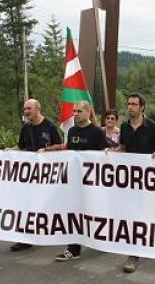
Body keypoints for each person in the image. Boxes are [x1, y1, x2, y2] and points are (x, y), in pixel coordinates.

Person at [113, 93, 155, 273]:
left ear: (142, 107)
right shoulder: (124, 126)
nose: (130, 107)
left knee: (147, 215)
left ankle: (148, 245)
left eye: (134, 104)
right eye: (128, 104)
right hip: (129, 180)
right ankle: (134, 253)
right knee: (133, 215)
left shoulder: (152, 127)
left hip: (149, 180)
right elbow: (122, 148)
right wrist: (110, 152)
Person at [6, 99, 64, 251]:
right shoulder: (25, 128)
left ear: (38, 109)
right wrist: (10, 151)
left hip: (47, 174)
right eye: (24, 109)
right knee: (26, 205)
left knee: (46, 205)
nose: (26, 111)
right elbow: (21, 147)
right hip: (30, 175)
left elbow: (61, 146)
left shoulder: (49, 126)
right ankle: (25, 237)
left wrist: (46, 150)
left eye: (29, 108)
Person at [54, 101, 107, 262]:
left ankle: (100, 239)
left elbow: (103, 156)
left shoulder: (97, 132)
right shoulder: (72, 131)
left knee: (93, 212)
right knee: (74, 212)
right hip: (74, 181)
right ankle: (73, 249)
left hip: (91, 181)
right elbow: (68, 153)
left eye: (78, 111)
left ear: (88, 112)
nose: (75, 114)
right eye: (74, 111)